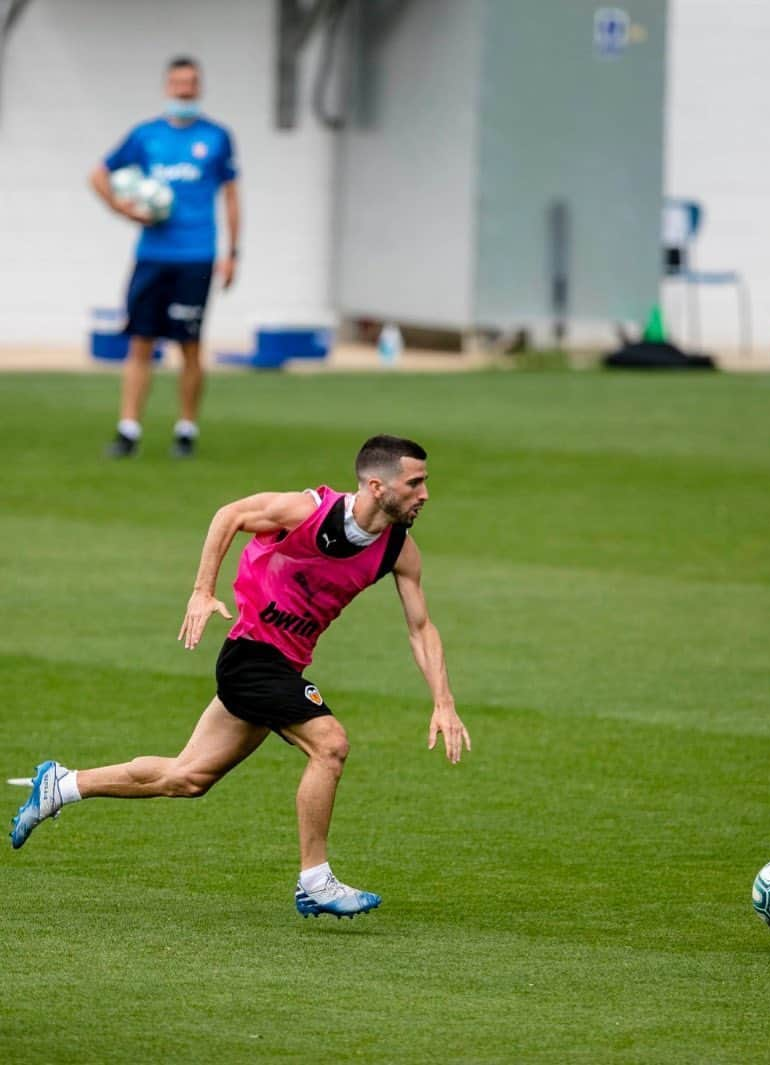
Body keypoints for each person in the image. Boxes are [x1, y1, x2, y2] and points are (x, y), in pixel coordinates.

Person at [9, 435, 471, 919]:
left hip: (283, 665)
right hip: (251, 657)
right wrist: (201, 591)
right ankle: (315, 879)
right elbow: (229, 515)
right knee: (330, 745)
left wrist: (443, 700)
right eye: (415, 483)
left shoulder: (398, 549)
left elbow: (421, 628)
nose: (424, 495)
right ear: (377, 486)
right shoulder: (306, 511)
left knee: (187, 777)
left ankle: (62, 785)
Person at [89, 55, 240, 460]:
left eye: (191, 83)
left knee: (189, 344)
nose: (184, 90)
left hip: (197, 254)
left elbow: (230, 195)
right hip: (152, 254)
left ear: (199, 87)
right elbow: (98, 174)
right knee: (141, 341)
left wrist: (232, 253)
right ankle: (128, 430)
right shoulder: (145, 135)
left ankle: (186, 430)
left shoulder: (217, 137)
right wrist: (124, 209)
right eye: (177, 83)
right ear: (167, 87)